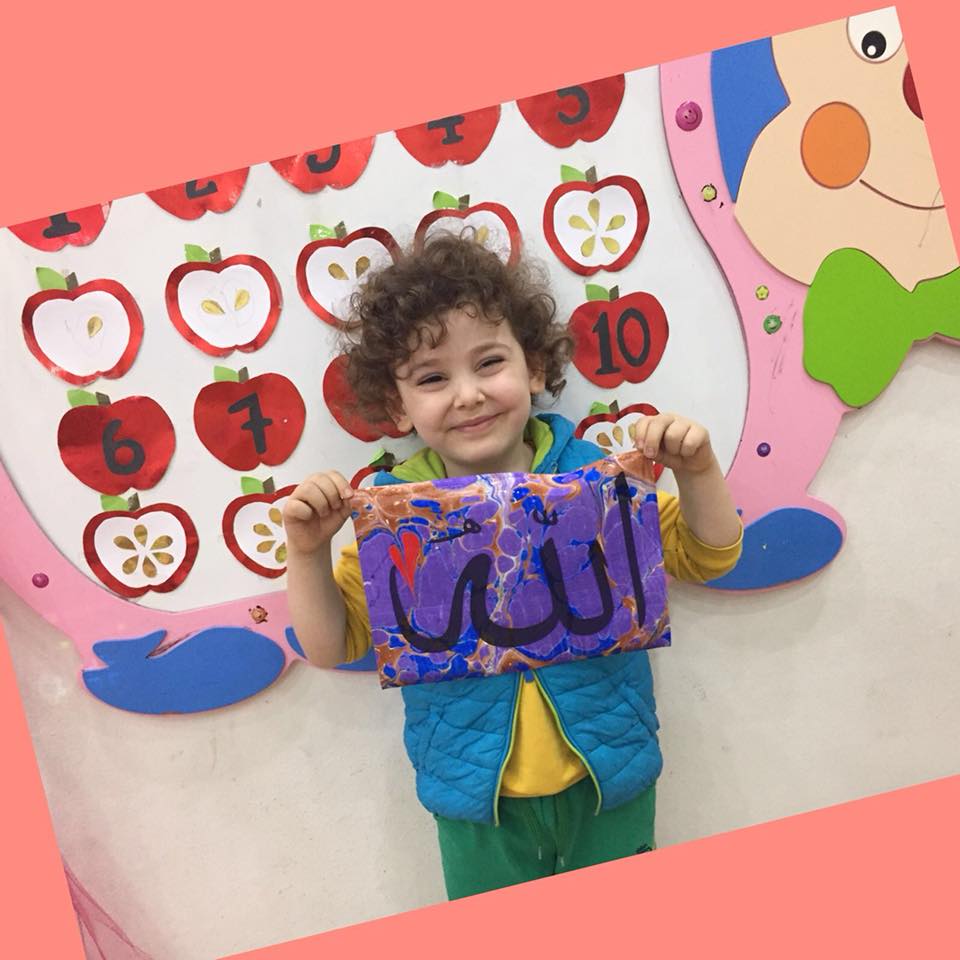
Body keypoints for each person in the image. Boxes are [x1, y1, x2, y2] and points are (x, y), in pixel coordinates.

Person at [283, 234, 743, 899]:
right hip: (477, 808)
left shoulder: (592, 477)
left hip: (611, 779)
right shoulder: (395, 515)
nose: (468, 395)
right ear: (397, 405)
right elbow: (331, 644)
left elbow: (709, 554)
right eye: (432, 378)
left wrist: (697, 470)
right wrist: (307, 552)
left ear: (534, 367)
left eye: (489, 362)